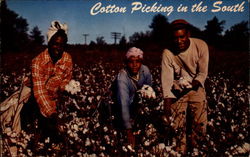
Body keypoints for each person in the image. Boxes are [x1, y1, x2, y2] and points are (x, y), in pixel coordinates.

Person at [161, 19, 209, 154]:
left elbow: (202, 73)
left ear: (188, 34)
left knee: (200, 127)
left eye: (181, 37)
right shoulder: (167, 53)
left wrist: (189, 85)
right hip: (177, 91)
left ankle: (197, 152)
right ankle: (179, 152)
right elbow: (166, 83)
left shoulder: (200, 46)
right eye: (175, 38)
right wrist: (167, 110)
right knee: (177, 130)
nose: (178, 41)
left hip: (196, 88)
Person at [26, 20, 72, 144]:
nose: (58, 48)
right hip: (33, 99)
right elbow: (39, 93)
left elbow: (66, 78)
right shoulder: (37, 62)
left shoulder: (67, 58)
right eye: (55, 44)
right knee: (41, 131)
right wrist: (52, 114)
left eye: (62, 45)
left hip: (54, 99)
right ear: (49, 43)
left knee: (59, 134)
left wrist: (66, 88)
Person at [112, 47, 153, 147]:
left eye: (137, 62)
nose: (134, 65)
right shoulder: (122, 77)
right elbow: (123, 103)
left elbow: (150, 91)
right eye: (131, 62)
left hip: (138, 106)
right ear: (126, 63)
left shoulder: (145, 71)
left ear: (141, 62)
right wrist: (128, 131)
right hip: (122, 108)